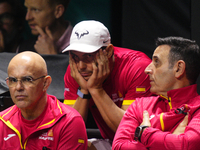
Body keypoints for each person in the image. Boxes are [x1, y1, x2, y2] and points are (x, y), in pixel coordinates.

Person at [62, 20, 152, 149]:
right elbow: (68, 132)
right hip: (111, 143)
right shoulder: (75, 72)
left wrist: (96, 89)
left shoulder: (137, 68)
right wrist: (84, 90)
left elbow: (131, 132)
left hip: (142, 144)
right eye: (75, 57)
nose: (81, 66)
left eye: (88, 56)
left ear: (108, 51)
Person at [112, 36, 200, 150]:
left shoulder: (198, 108)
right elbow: (118, 146)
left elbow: (188, 144)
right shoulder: (139, 105)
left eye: (156, 62)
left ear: (178, 68)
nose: (147, 69)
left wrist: (145, 133)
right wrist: (170, 143)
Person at [0, 51, 87, 149]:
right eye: (13, 80)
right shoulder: (2, 121)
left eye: (27, 79)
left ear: (45, 83)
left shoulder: (69, 122)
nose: (18, 87)